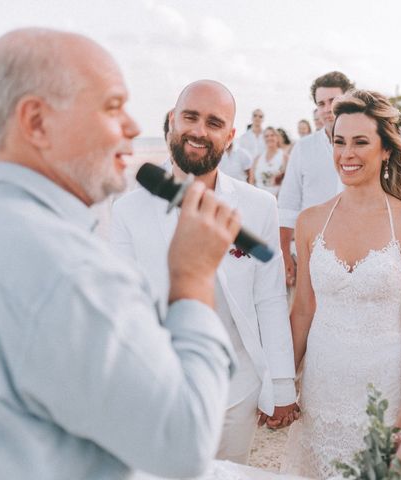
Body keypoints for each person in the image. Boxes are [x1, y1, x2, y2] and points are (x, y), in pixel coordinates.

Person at [0, 28, 240, 479]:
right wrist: (193, 278)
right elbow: (185, 443)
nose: (134, 127)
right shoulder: (70, 269)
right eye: (113, 107)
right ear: (36, 122)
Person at [110, 80, 298, 465]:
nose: (199, 131)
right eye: (190, 117)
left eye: (214, 123)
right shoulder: (127, 209)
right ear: (172, 122)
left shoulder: (258, 206)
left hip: (238, 389)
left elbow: (270, 299)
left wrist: (281, 384)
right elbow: (123, 308)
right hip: (156, 389)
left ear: (230, 137)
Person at [281, 90, 401, 478]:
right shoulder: (311, 221)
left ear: (385, 150)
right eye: (339, 141)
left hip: (383, 386)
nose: (346, 154)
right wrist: (281, 385)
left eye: (360, 142)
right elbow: (301, 311)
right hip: (322, 384)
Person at [278, 71, 354, 287]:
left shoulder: (367, 143)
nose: (327, 109)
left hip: (361, 250)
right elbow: (288, 204)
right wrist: (284, 254)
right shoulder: (303, 148)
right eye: (321, 103)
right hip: (313, 251)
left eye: (333, 101)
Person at [249, 126, 287, 196]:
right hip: (259, 198)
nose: (269, 138)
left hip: (277, 199)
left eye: (272, 135)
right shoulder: (257, 158)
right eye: (266, 136)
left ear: (277, 138)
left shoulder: (284, 157)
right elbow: (251, 181)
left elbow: (287, 181)